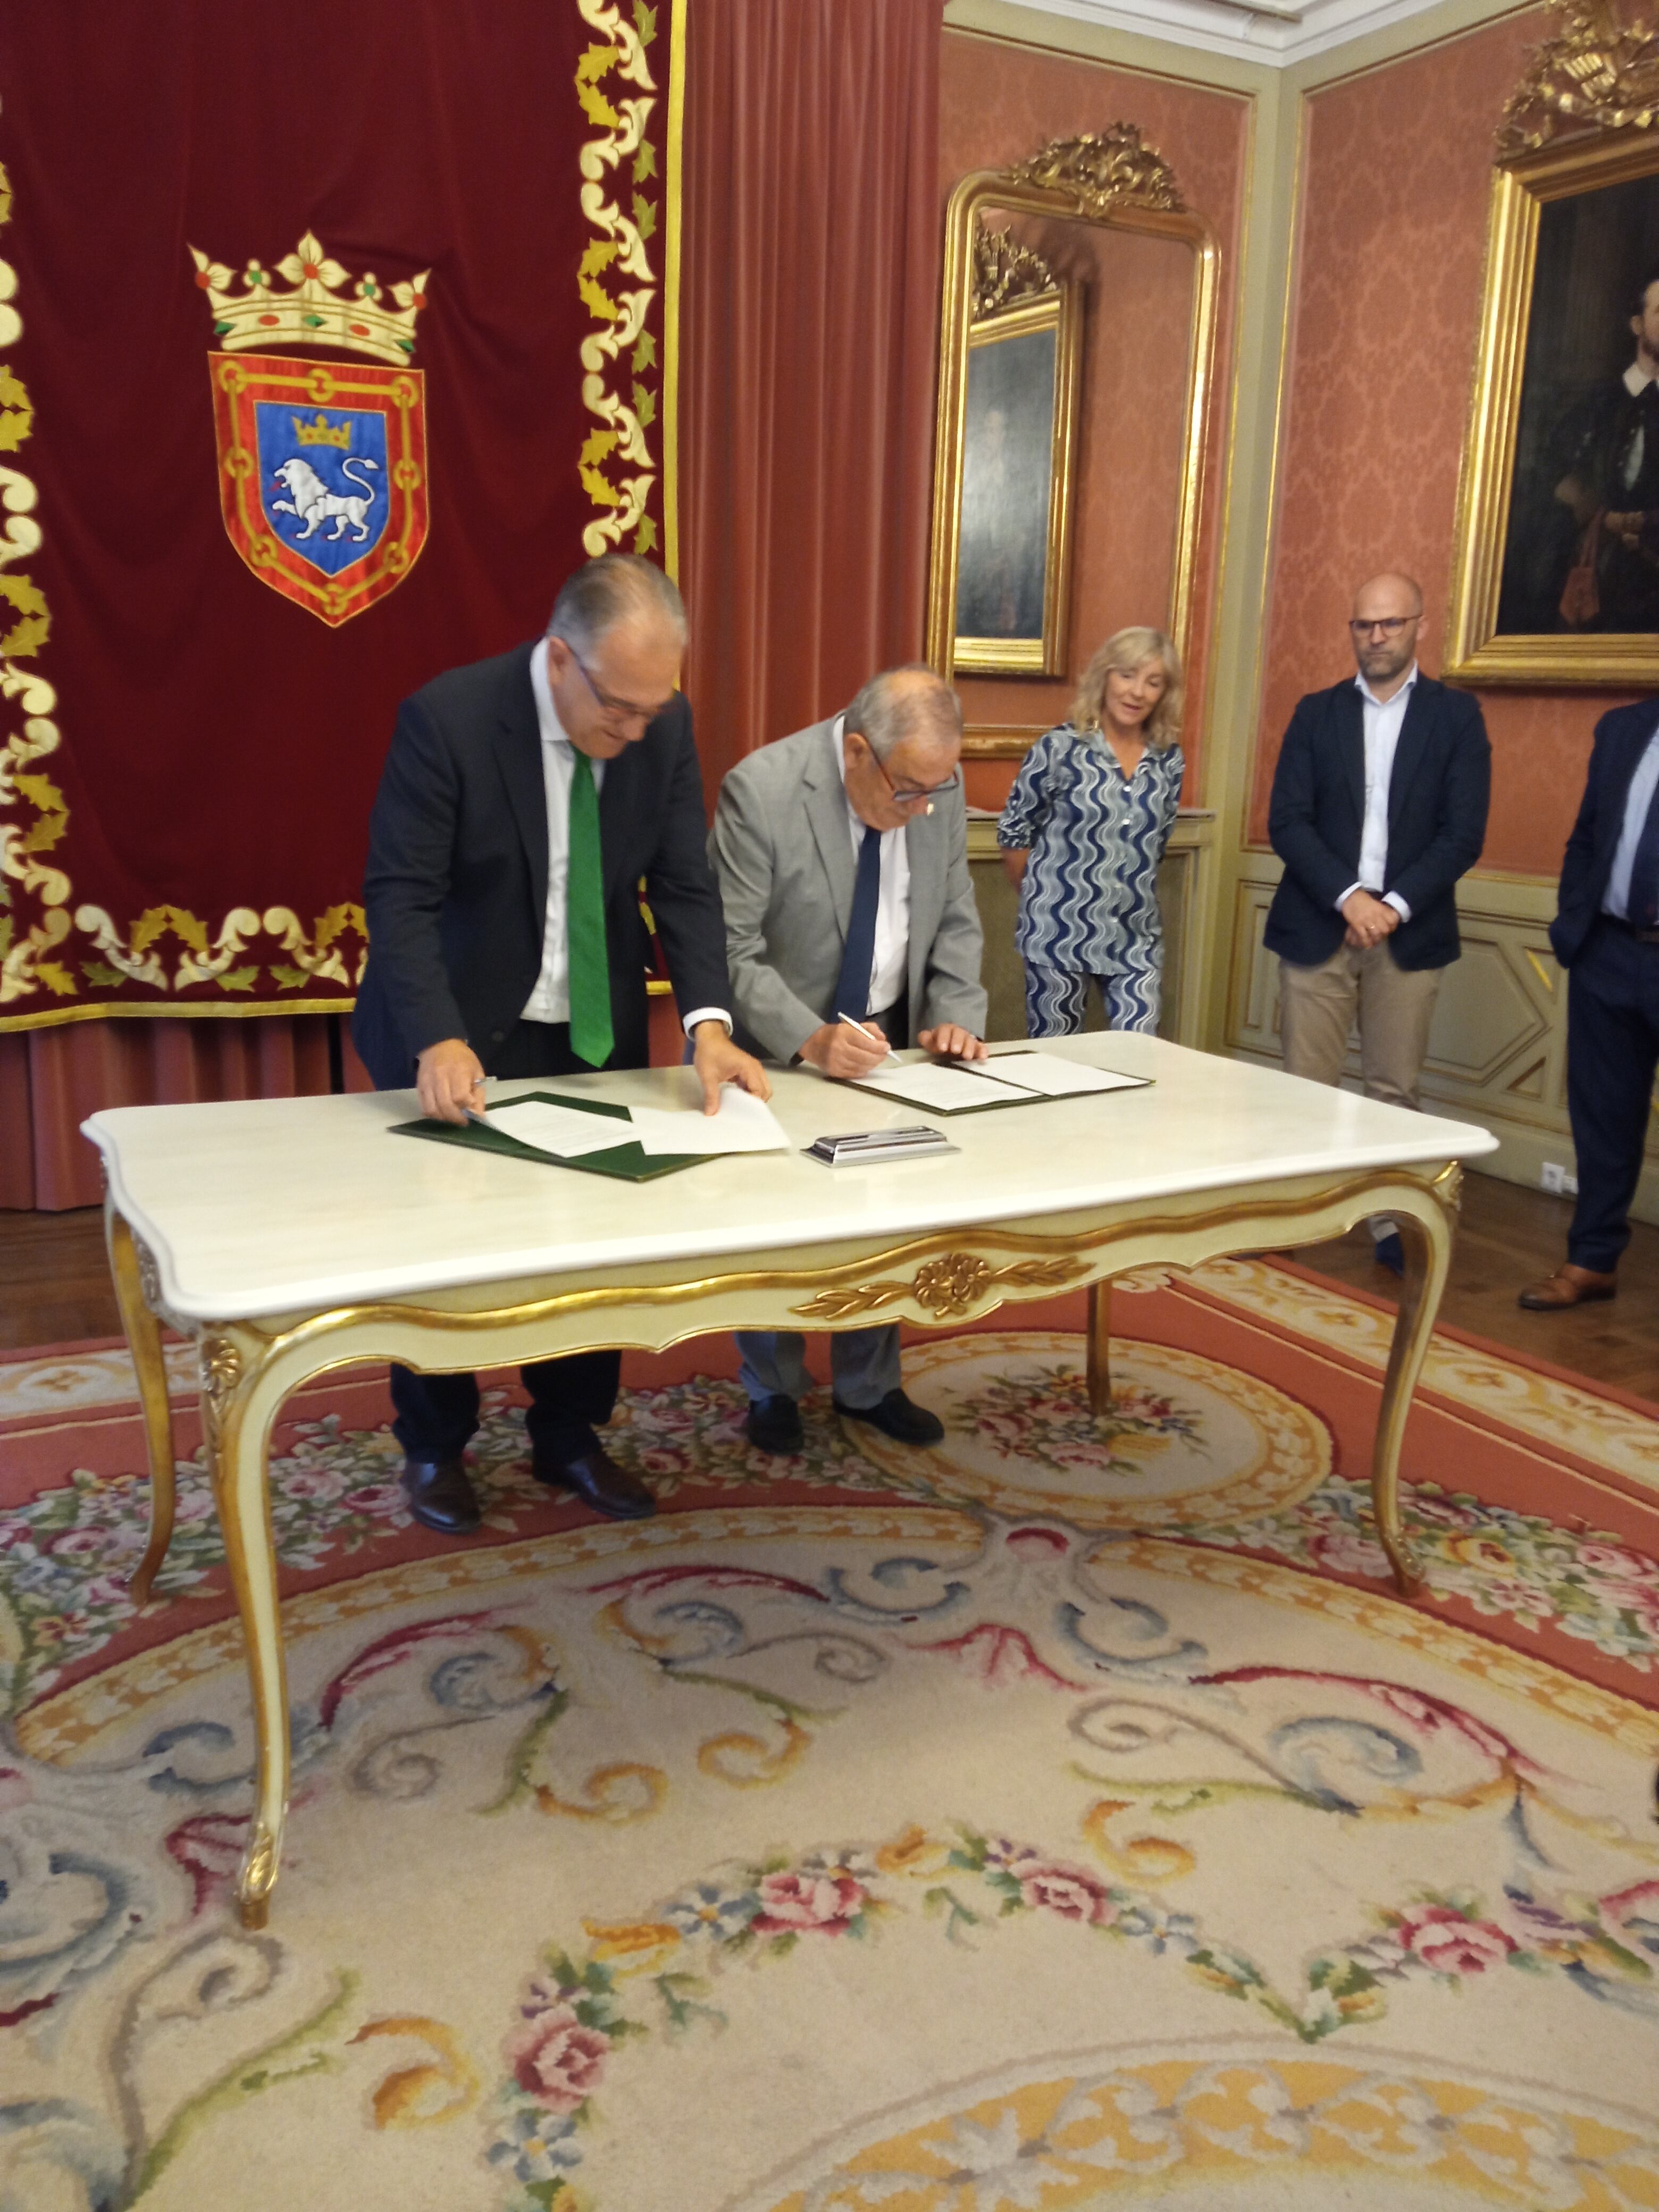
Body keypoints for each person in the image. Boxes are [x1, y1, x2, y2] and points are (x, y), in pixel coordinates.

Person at [353, 555, 769, 1534]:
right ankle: (435, 1447)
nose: (633, 731)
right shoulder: (449, 720)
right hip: (455, 1025)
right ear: (559, 660)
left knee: (593, 1243)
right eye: (618, 708)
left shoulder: (660, 727)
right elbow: (399, 896)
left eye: (652, 710)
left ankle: (569, 1434)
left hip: (590, 1025)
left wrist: (708, 1024)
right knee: (444, 1251)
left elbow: (682, 884)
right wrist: (440, 1034)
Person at [708, 665, 987, 1455]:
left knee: (888, 1213)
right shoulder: (761, 791)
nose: (925, 808)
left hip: (888, 1042)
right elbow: (731, 950)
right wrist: (810, 1036)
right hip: (784, 1049)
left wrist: (955, 1015)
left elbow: (958, 913)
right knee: (781, 1225)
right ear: (859, 753)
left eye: (938, 788)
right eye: (909, 792)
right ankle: (774, 1387)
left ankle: (870, 1386)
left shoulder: (933, 781)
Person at [1264, 572, 1491, 1273]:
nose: (1378, 637)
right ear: (1352, 631)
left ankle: (1392, 1225)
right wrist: (1350, 897)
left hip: (1410, 932)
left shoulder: (1457, 719)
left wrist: (1390, 907)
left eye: (1391, 623)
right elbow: (1288, 822)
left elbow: (1463, 834)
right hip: (1318, 922)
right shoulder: (1315, 714)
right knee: (1306, 1085)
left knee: (1394, 1091)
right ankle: (1301, 1215)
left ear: (1420, 625)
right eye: (1364, 625)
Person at [1519, 696, 1659, 1310]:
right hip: (1609, 949)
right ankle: (1592, 1260)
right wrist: (1575, 920)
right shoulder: (1624, 728)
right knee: (1604, 1116)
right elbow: (1589, 835)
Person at [995, 626, 1184, 1037]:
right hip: (1057, 932)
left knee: (1139, 1055)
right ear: (1105, 676)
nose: (1137, 692)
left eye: (1153, 683)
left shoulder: (1169, 759)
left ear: (1165, 693)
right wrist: (1043, 898)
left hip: (1136, 935)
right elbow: (1015, 832)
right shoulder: (1061, 748)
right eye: (1127, 676)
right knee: (1056, 1062)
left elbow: (1159, 843)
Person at [1502, 264, 1659, 636]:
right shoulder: (1594, 404)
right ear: (1637, 325)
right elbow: (1551, 481)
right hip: (1591, 572)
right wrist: (1602, 517)